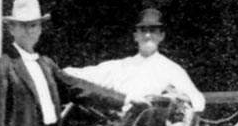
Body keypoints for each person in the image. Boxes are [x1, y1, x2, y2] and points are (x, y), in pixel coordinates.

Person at [63, 7, 205, 115]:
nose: (148, 35)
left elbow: (198, 100)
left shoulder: (172, 69)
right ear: (135, 36)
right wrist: (57, 71)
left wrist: (173, 98)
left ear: (161, 36)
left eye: (153, 30)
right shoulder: (120, 66)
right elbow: (81, 75)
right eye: (143, 30)